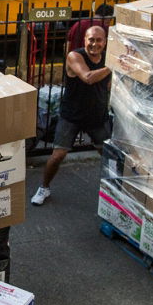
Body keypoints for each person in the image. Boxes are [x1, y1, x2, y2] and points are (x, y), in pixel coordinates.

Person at [32, 25, 111, 205]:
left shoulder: (107, 60)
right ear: (84, 40)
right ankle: (44, 187)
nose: (94, 44)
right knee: (58, 155)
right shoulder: (75, 56)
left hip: (97, 116)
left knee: (108, 155)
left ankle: (113, 191)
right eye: (91, 39)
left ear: (105, 42)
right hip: (72, 115)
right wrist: (112, 66)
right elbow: (88, 77)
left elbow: (107, 86)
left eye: (99, 40)